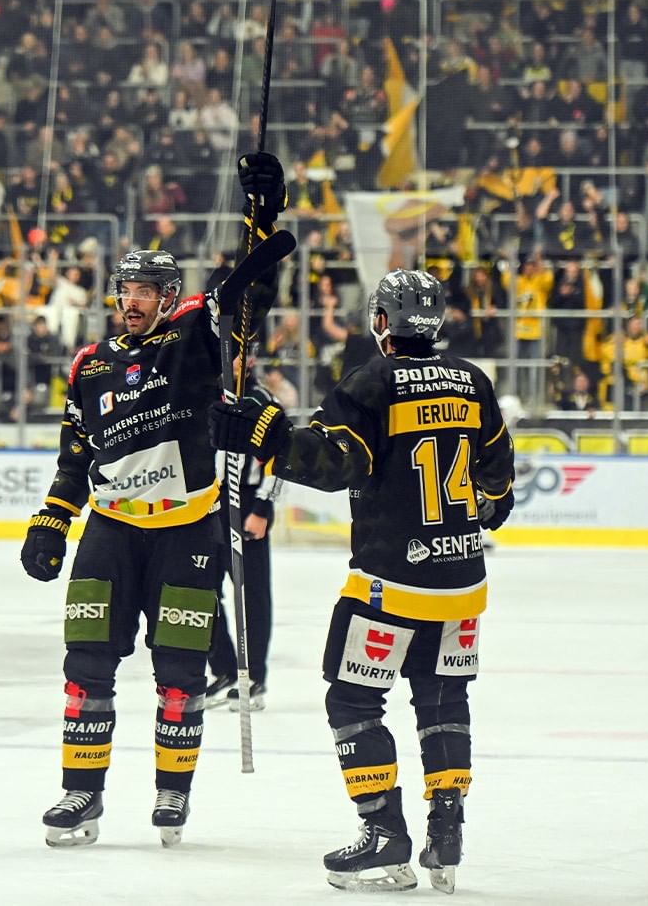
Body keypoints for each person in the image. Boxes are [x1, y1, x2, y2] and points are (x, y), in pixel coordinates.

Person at [209, 269, 515, 894]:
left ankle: (383, 833)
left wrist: (262, 431)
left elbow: (329, 463)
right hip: (462, 582)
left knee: (351, 699)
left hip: (390, 582)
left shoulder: (373, 382)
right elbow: (498, 490)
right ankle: (446, 830)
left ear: (383, 321)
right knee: (443, 700)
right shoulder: (474, 380)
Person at [19, 151, 287, 850]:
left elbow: (249, 291)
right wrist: (50, 523)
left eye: (145, 290)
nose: (131, 299)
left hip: (185, 532)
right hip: (109, 531)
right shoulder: (89, 364)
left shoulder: (196, 338)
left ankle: (172, 794)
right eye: (125, 288)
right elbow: (75, 456)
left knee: (179, 669)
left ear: (169, 298)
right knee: (85, 667)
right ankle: (81, 794)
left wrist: (263, 217)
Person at [205, 350, 282, 712]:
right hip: (205, 504)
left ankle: (255, 677)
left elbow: (281, 461)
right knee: (200, 590)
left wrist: (263, 508)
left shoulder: (263, 402)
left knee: (251, 595)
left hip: (246, 501)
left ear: (250, 361)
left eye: (240, 355)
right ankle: (223, 669)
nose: (233, 362)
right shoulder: (202, 394)